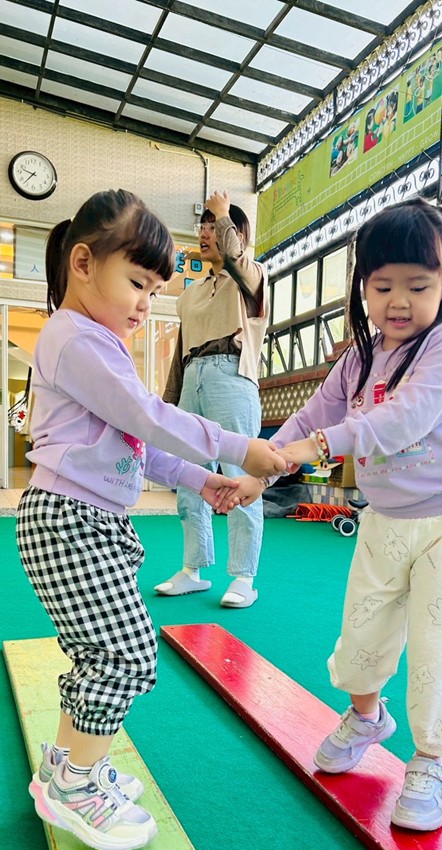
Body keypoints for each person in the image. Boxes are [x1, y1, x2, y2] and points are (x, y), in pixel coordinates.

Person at [16, 189, 285, 850]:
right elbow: (147, 416)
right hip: (68, 521)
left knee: (103, 651)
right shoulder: (76, 339)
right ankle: (75, 786)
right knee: (125, 652)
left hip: (86, 521)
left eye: (154, 291)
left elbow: (140, 446)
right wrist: (237, 446)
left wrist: (203, 479)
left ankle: (69, 767)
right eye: (136, 283)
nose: (145, 303)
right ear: (83, 263)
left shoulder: (96, 342)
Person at [221, 198, 442, 832]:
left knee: (440, 643)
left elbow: (401, 421)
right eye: (382, 285)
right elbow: (310, 418)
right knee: (363, 634)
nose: (399, 301)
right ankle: (367, 717)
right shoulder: (358, 359)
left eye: (417, 286)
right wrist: (260, 472)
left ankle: (429, 761)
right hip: (384, 521)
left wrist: (312, 449)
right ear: (363, 287)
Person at [155, 191, 270, 609]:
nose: (204, 233)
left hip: (232, 375)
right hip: (193, 376)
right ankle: (193, 569)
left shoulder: (252, 277)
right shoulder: (190, 295)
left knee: (240, 473)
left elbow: (238, 262)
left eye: (213, 226)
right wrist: (169, 403)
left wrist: (224, 214)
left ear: (234, 233)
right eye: (202, 226)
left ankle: (244, 576)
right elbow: (181, 352)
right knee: (190, 476)